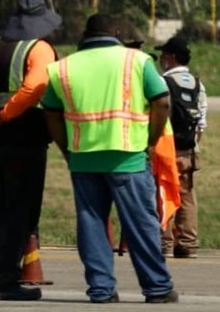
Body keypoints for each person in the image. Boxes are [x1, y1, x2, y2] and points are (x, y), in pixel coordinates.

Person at [41, 15, 177, 304]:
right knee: (140, 225)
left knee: (91, 226)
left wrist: (67, 150)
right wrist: (151, 141)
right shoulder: (136, 61)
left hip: (83, 158)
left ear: (84, 34)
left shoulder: (62, 67)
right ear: (116, 32)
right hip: (128, 155)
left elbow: (50, 113)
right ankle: (157, 288)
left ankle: (101, 290)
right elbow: (162, 101)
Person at [0, 0, 60, 302]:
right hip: (25, 138)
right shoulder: (40, 49)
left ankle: (0, 273)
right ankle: (6, 279)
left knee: (2, 209)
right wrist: (5, 115)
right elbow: (35, 87)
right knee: (21, 211)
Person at [157, 36, 206, 259]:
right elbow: (201, 123)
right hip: (189, 150)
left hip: (165, 148)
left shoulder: (162, 82)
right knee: (187, 196)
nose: (160, 59)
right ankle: (188, 243)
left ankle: (164, 243)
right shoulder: (197, 84)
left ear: (171, 58)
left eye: (163, 55)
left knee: (163, 193)